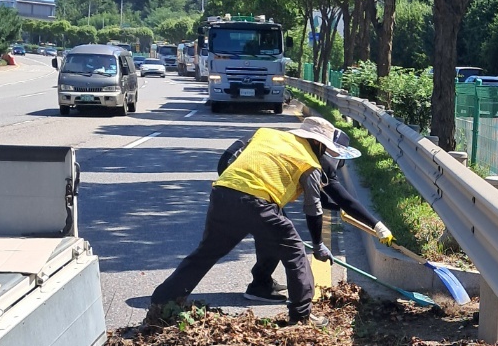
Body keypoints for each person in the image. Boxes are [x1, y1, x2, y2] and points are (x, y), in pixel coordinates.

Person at [150, 115, 392, 324]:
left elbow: (229, 156)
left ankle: (163, 302)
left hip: (223, 192)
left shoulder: (266, 135)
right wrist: (318, 245)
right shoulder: (309, 163)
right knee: (296, 253)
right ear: (320, 145)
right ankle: (302, 316)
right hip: (257, 202)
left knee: (207, 252)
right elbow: (314, 210)